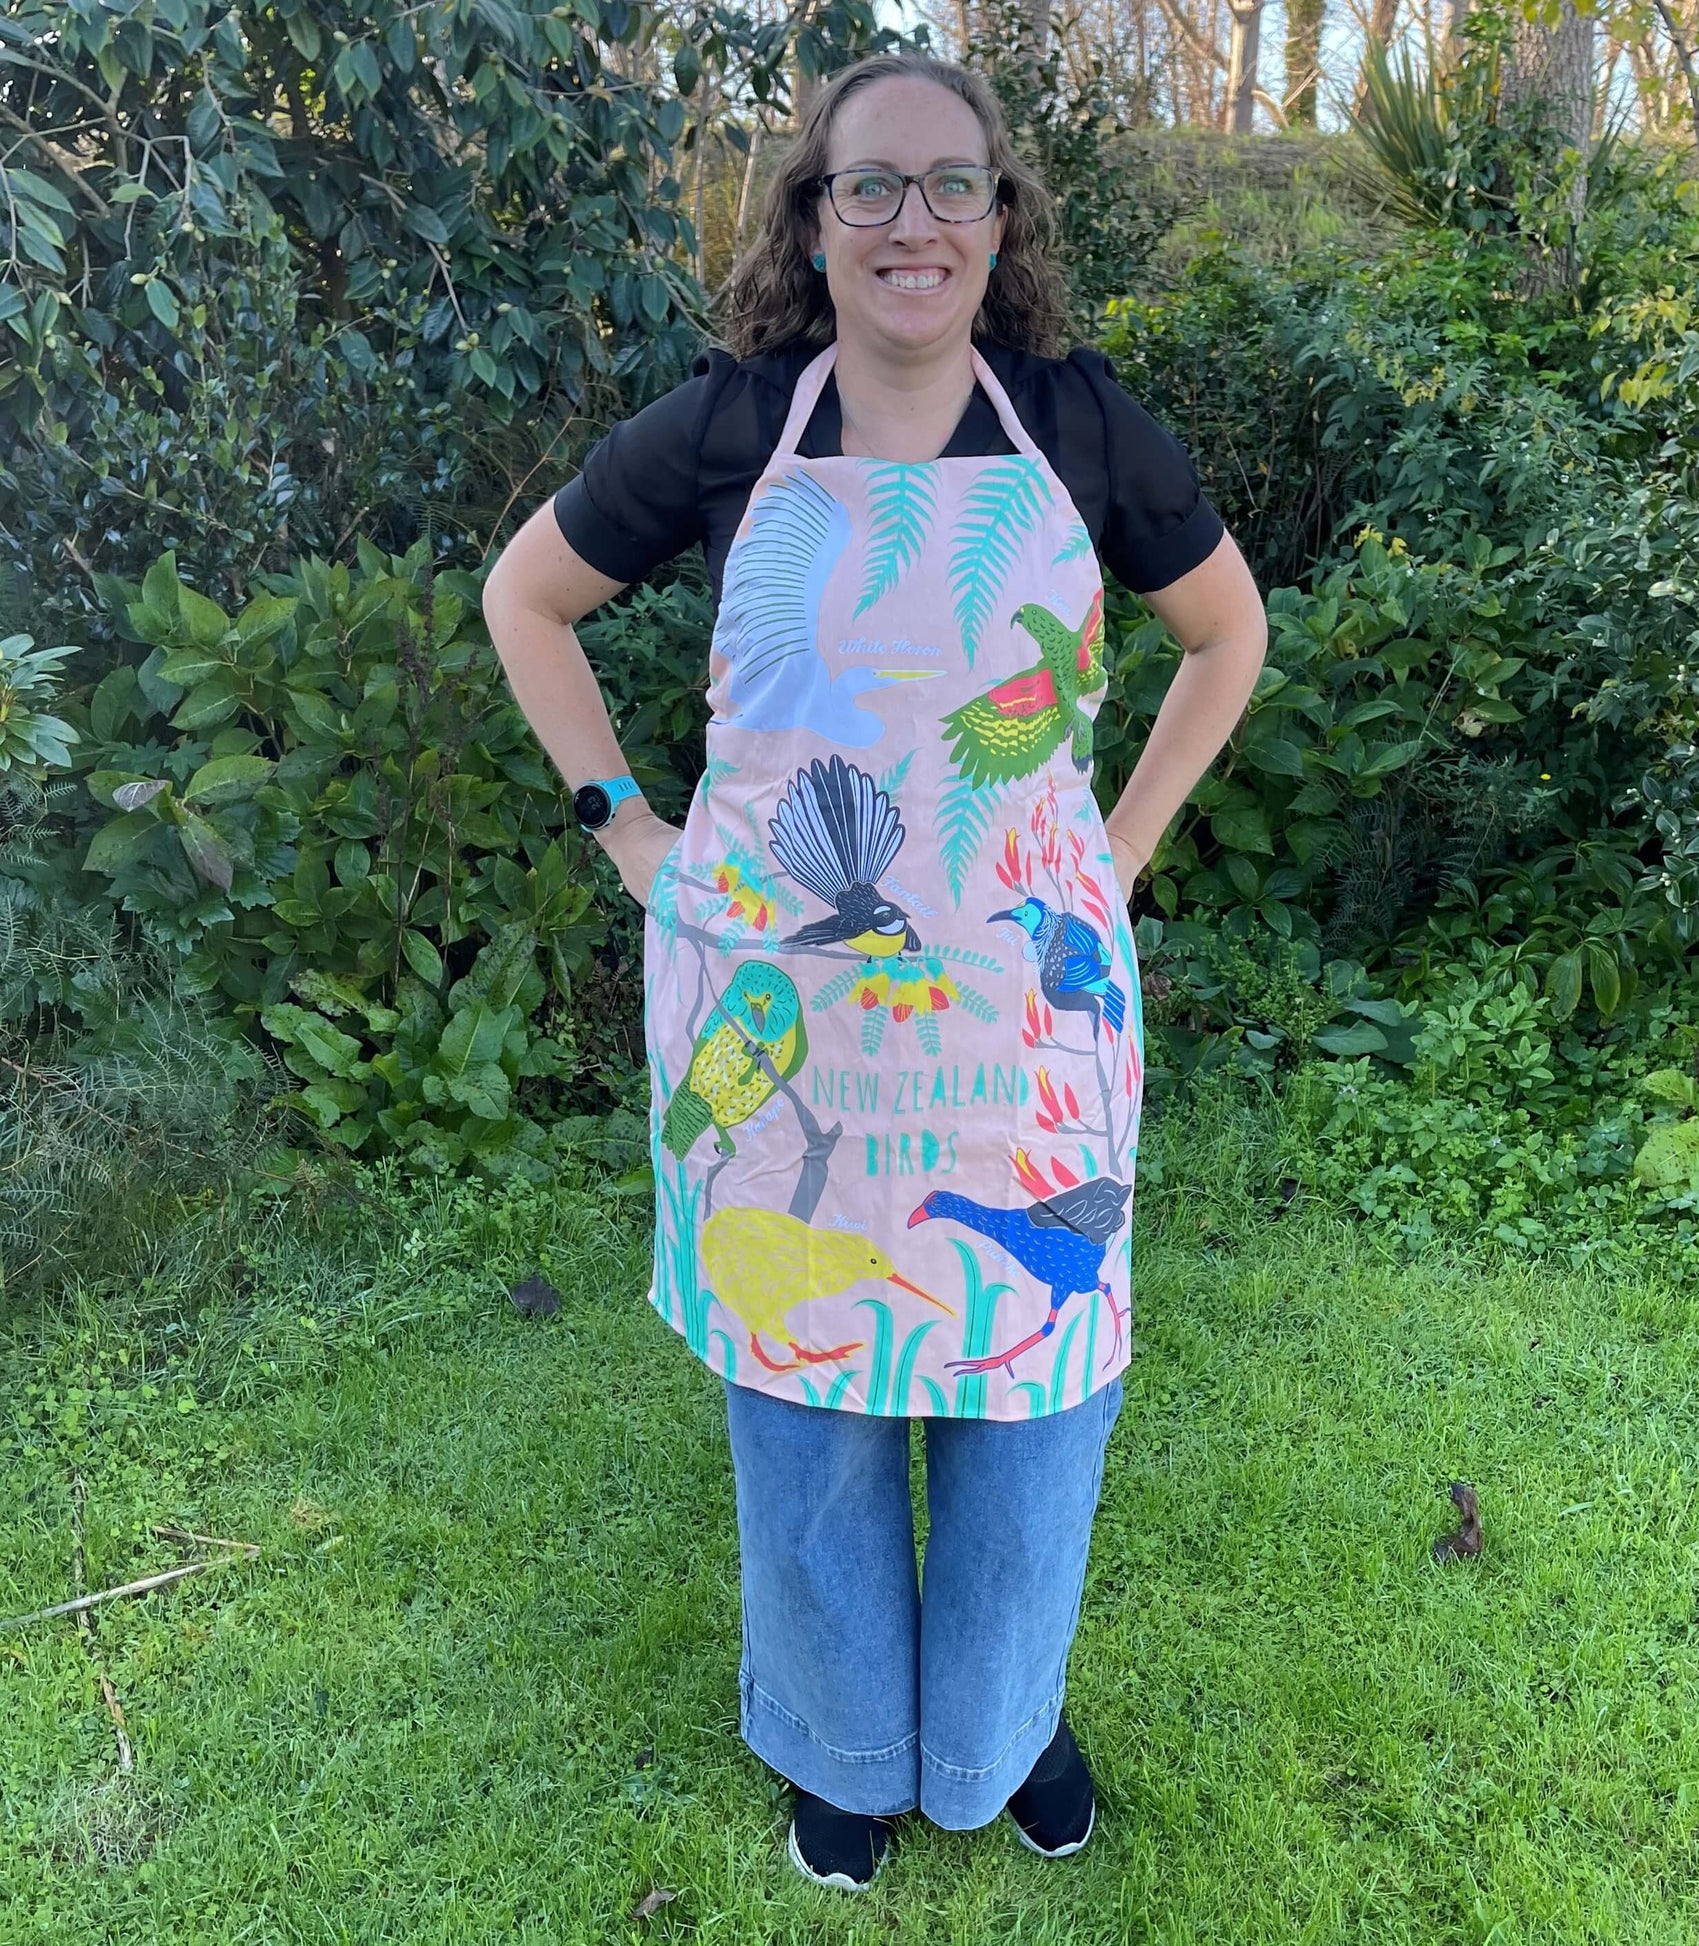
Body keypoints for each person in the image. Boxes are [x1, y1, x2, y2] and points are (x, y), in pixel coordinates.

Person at [481, 51, 1266, 1891]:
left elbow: (1224, 635)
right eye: (871, 189)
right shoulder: (732, 424)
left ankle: (1005, 1722)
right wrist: (627, 830)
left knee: (1033, 1375)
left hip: (1025, 1004)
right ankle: (838, 1740)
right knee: (812, 1371)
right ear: (813, 224)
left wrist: (1119, 852)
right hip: (784, 1004)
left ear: (1003, 218)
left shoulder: (1075, 423)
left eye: (951, 186)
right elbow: (527, 599)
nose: (914, 223)